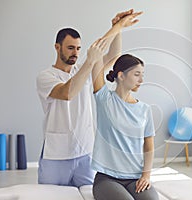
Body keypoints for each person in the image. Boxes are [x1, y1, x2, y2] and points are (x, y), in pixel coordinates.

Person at [36, 9, 142, 187]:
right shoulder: (45, 77)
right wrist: (91, 61)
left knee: (89, 195)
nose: (75, 53)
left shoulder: (82, 70)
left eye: (78, 48)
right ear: (57, 47)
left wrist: (117, 28)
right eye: (70, 48)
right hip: (56, 156)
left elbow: (113, 55)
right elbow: (67, 93)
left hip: (85, 153)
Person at [91, 54, 159, 200]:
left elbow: (149, 146)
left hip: (135, 177)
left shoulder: (145, 109)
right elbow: (96, 63)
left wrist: (146, 176)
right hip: (107, 179)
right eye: (136, 75)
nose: (141, 80)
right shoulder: (105, 100)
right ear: (121, 76)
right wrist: (116, 30)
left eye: (142, 75)